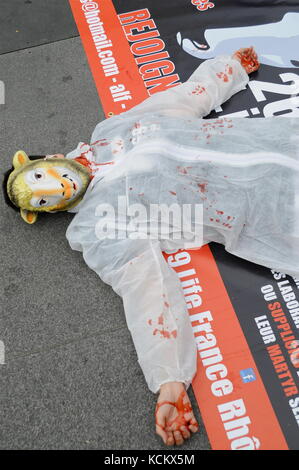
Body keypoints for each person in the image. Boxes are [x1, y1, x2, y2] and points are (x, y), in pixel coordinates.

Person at [4, 47, 299, 446]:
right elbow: (146, 289)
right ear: (43, 213)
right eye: (40, 199)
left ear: (49, 158)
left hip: (280, 141)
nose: (52, 188)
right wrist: (170, 380)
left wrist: (227, 70)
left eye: (40, 176)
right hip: (271, 212)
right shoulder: (99, 224)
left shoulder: (113, 131)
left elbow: (180, 100)